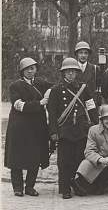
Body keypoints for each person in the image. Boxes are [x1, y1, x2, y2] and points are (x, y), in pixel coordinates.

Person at [47, 58, 99, 199]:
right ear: (63, 73)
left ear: (77, 73)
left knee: (79, 160)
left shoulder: (83, 88)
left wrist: (97, 124)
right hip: (64, 131)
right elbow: (52, 113)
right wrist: (53, 132)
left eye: (73, 71)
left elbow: (91, 106)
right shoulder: (56, 90)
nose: (70, 74)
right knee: (64, 161)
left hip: (81, 130)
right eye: (68, 72)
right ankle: (65, 189)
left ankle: (77, 185)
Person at [4, 57, 52, 197]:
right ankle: (17, 188)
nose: (31, 71)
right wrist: (40, 103)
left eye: (33, 68)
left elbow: (55, 87)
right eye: (27, 69)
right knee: (17, 158)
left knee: (35, 157)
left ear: (36, 69)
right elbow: (19, 105)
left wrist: (49, 92)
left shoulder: (40, 82)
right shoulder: (15, 86)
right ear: (22, 71)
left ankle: (30, 187)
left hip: (37, 127)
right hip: (19, 127)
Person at [74, 41, 101, 105]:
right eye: (81, 53)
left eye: (86, 53)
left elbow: (99, 88)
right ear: (77, 54)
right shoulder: (72, 69)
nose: (83, 55)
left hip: (91, 103)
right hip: (76, 102)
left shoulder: (95, 69)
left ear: (88, 54)